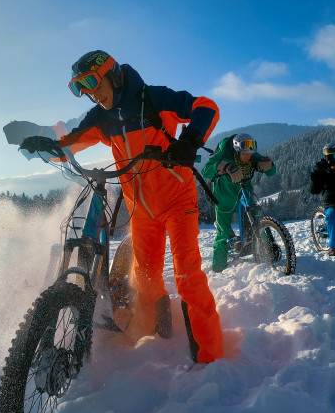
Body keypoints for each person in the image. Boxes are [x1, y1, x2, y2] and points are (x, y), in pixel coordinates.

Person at [21, 50, 224, 364]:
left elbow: (206, 107)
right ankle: (158, 339)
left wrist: (191, 139)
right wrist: (48, 146)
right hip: (141, 211)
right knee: (145, 278)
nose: (90, 93)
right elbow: (74, 141)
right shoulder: (102, 118)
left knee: (188, 278)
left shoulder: (153, 99)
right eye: (80, 88)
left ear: (111, 73)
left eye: (91, 82)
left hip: (177, 202)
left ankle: (211, 359)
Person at [201, 133, 277, 272]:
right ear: (237, 149)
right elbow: (206, 171)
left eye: (251, 152)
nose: (249, 156)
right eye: (245, 153)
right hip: (224, 197)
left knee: (257, 221)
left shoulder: (251, 154)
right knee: (222, 233)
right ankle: (218, 269)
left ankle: (270, 254)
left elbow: (272, 172)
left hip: (245, 193)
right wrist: (225, 167)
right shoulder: (224, 152)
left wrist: (268, 164)